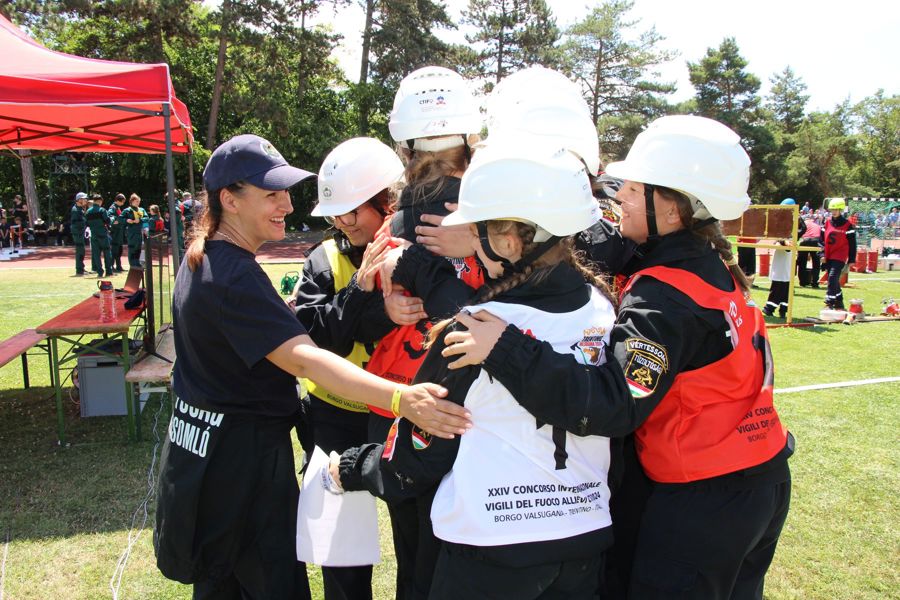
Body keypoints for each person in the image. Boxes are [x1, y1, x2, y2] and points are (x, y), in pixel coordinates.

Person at [439, 116, 794, 600]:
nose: (620, 194)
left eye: (635, 187)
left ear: (674, 210)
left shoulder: (665, 294)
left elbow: (612, 405)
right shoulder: (712, 264)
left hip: (704, 500)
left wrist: (506, 347)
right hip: (760, 480)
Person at [153, 134, 470, 600]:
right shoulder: (234, 275)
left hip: (215, 459)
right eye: (271, 194)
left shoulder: (205, 259)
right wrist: (402, 398)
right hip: (243, 467)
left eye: (285, 191)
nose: (287, 204)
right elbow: (306, 357)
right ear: (229, 200)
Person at [336, 144, 616, 600]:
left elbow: (420, 452)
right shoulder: (604, 307)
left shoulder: (474, 329)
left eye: (475, 229)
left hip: (492, 548)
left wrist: (356, 467)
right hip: (584, 540)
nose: (468, 242)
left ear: (507, 242)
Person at [292, 136, 405, 600]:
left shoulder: (422, 253)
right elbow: (316, 338)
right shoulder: (323, 259)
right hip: (334, 417)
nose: (342, 222)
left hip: (400, 415)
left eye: (352, 211)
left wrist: (366, 314)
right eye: (335, 213)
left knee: (416, 536)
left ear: (386, 201)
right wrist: (361, 292)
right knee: (340, 549)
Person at [763, 199, 805, 318]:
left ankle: (783, 308)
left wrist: (792, 238)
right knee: (778, 281)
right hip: (781, 252)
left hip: (789, 253)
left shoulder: (795, 220)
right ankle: (769, 308)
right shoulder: (780, 220)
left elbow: (802, 229)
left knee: (787, 282)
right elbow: (776, 234)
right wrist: (784, 241)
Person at [820, 198, 856, 310]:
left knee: (832, 277)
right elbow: (821, 240)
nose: (834, 212)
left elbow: (852, 244)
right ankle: (839, 301)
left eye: (836, 209)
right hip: (828, 254)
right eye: (832, 209)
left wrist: (852, 259)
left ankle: (829, 302)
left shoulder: (847, 225)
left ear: (841, 210)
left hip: (840, 255)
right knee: (834, 280)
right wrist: (822, 254)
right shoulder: (826, 223)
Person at [85, 193, 114, 276]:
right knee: (107, 252)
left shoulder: (88, 211)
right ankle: (109, 271)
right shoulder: (102, 210)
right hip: (103, 233)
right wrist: (112, 219)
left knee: (96, 254)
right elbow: (107, 221)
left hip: (93, 234)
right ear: (100, 201)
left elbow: (87, 223)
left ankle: (99, 272)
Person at [797, 213, 821, 287]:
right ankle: (814, 282)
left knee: (802, 262)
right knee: (816, 263)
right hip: (816, 241)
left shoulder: (804, 223)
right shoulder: (817, 225)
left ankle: (802, 282)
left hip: (805, 240)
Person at [122, 193, 144, 268]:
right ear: (132, 201)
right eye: (136, 201)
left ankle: (137, 262)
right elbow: (120, 219)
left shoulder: (141, 210)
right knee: (132, 248)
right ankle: (132, 264)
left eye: (139, 201)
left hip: (139, 232)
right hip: (131, 232)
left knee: (138, 248)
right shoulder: (127, 210)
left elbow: (146, 218)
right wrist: (127, 220)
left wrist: (140, 220)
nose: (138, 203)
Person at [108, 193, 127, 272]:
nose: (123, 203)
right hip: (115, 232)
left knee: (119, 249)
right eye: (122, 202)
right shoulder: (113, 207)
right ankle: (111, 266)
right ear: (118, 201)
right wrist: (115, 220)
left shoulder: (118, 207)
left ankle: (119, 266)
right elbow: (110, 216)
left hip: (119, 232)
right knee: (114, 250)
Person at [71, 192, 88, 275]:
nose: (86, 200)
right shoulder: (76, 210)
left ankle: (81, 268)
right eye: (84, 199)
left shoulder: (79, 209)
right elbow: (77, 223)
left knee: (82, 250)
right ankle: (79, 269)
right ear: (79, 200)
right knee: (80, 251)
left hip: (80, 232)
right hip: (78, 233)